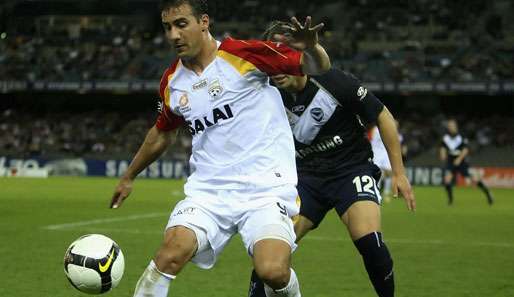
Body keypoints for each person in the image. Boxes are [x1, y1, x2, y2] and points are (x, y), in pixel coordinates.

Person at [108, 1, 330, 297]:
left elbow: (317, 67)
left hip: (265, 189)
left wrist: (312, 48)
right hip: (209, 193)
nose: (173, 35)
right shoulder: (173, 82)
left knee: (272, 272)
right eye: (167, 27)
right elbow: (162, 132)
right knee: (168, 256)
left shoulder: (242, 54)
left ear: (204, 22)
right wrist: (129, 176)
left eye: (181, 24)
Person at [248, 21, 415, 297]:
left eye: (284, 53)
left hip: (350, 171)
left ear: (298, 55)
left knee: (369, 242)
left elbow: (382, 115)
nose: (276, 64)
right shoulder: (265, 95)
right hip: (304, 180)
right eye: (270, 56)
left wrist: (398, 173)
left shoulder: (334, 82)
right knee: (271, 256)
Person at [440, 119, 493, 205]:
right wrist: (442, 155)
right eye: (449, 126)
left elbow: (465, 149)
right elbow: (442, 147)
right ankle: (450, 200)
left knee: (474, 179)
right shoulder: (445, 137)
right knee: (447, 180)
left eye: (452, 125)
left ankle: (488, 194)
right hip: (450, 161)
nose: (450, 127)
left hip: (461, 162)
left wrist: (459, 159)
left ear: (455, 126)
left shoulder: (461, 136)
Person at [369, 121, 405, 201]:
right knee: (377, 173)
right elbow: (369, 139)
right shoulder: (375, 129)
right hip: (376, 153)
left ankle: (386, 191)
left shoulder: (396, 134)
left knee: (388, 173)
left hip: (386, 154)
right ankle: (375, 191)